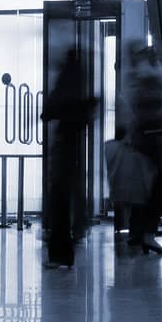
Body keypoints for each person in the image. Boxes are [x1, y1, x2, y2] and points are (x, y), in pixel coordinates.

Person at [120, 42, 162, 256]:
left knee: (142, 188)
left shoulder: (134, 78)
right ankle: (147, 235)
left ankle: (139, 233)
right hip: (152, 138)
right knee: (154, 188)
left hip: (141, 139)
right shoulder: (150, 77)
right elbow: (159, 107)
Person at [42, 47, 97, 268]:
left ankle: (60, 253)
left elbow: (47, 112)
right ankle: (72, 240)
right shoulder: (81, 87)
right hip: (75, 147)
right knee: (71, 193)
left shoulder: (65, 86)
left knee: (59, 200)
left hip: (63, 147)